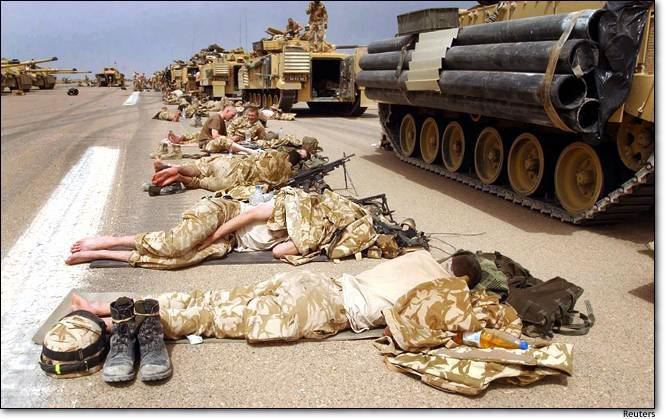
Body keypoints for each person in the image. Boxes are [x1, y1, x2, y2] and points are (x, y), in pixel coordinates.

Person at [150, 148, 309, 192]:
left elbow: (256, 155)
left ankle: (172, 167)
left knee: (199, 168)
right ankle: (179, 177)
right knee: (198, 182)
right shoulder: (286, 175)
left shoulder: (274, 154)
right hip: (230, 181)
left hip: (230, 164)